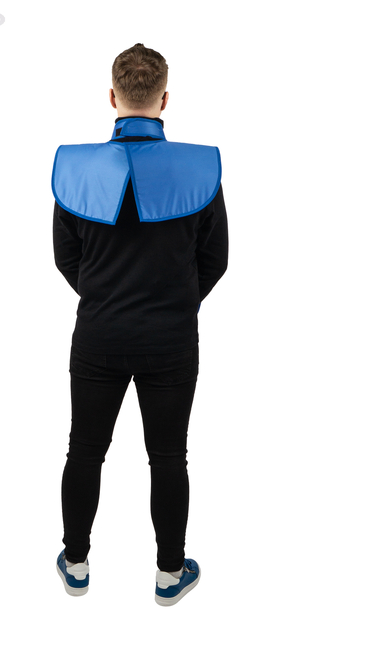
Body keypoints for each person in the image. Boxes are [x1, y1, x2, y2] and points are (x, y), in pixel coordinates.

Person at [51, 43, 228, 606]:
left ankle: (75, 563)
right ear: (164, 99)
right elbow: (215, 259)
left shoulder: (74, 169)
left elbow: (66, 256)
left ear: (112, 97)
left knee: (85, 450)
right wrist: (174, 303)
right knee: (169, 456)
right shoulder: (200, 169)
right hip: (171, 338)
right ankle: (170, 575)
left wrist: (105, 298)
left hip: (98, 334)